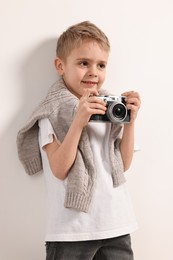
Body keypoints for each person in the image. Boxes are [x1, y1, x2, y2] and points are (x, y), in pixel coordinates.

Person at [17, 21, 141, 260]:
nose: (93, 71)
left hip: (117, 224)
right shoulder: (51, 112)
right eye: (84, 63)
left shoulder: (111, 107)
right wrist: (78, 121)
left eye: (101, 65)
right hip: (71, 231)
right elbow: (60, 169)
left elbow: (122, 166)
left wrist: (130, 122)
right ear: (60, 66)